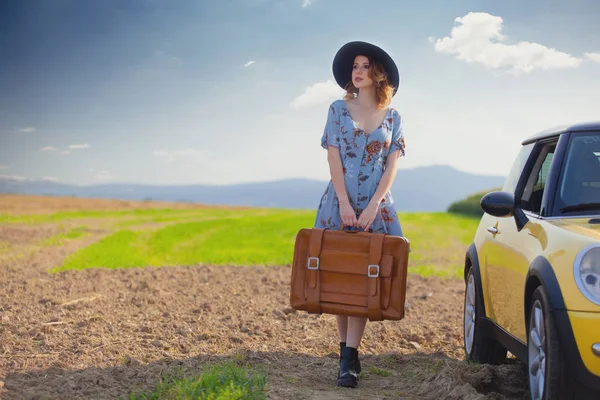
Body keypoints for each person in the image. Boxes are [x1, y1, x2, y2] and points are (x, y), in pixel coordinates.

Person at [314, 41, 406, 388]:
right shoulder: (338, 109)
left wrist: (372, 207)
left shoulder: (394, 118)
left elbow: (391, 167)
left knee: (366, 278)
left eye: (365, 66)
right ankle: (346, 356)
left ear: (377, 73)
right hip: (338, 203)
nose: (358, 70)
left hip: (376, 207)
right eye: (355, 65)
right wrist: (344, 202)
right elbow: (333, 157)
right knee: (342, 276)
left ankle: (350, 356)